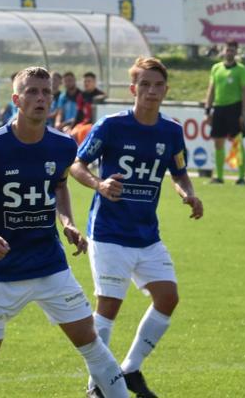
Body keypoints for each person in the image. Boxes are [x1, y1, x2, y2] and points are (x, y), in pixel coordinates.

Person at [0, 66, 129, 398]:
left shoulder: (62, 146)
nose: (40, 98)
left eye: (46, 92)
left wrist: (67, 222)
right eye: (32, 91)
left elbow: (59, 186)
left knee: (91, 342)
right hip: (1, 269)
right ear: (16, 99)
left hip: (49, 266)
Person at [70, 57, 204, 398]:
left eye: (157, 85)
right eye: (144, 84)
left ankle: (129, 369)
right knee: (108, 309)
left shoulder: (171, 131)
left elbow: (179, 172)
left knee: (168, 297)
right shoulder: (112, 126)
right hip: (110, 233)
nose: (151, 91)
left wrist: (188, 194)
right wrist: (100, 185)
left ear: (166, 90)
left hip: (147, 235)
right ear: (133, 89)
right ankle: (94, 386)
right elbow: (77, 166)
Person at [203, 41, 245, 185]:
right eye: (227, 49)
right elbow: (211, 89)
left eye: (232, 50)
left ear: (236, 52)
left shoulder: (241, 70)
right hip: (219, 108)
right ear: (223, 51)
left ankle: (241, 177)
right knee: (218, 142)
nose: (229, 52)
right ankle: (219, 176)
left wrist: (243, 112)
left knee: (237, 142)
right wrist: (207, 108)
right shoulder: (216, 68)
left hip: (234, 108)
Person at [71, 72, 108, 144]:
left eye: (89, 81)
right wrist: (72, 127)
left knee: (81, 133)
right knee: (71, 133)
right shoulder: (81, 95)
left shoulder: (100, 95)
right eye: (85, 81)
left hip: (95, 123)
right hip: (84, 123)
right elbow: (79, 113)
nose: (86, 83)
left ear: (94, 82)